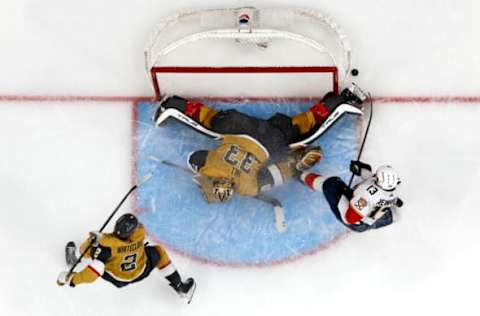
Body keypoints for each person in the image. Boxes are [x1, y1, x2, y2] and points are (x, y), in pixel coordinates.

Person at [153, 84, 366, 203]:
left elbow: (275, 175)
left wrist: (295, 165)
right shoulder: (209, 167)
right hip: (236, 125)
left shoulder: (247, 188)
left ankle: (340, 102)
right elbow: (195, 157)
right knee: (211, 123)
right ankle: (175, 105)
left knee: (304, 133)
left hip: (270, 138)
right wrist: (203, 174)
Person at [57, 213, 196, 302]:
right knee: (158, 252)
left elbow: (92, 274)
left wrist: (71, 279)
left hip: (118, 278)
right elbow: (129, 234)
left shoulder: (106, 246)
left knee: (91, 249)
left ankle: (75, 259)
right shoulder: (140, 233)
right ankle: (180, 287)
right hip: (141, 270)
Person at [301, 161, 404, 232]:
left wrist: (345, 198)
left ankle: (301, 175)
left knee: (331, 184)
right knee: (390, 214)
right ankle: (391, 216)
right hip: (376, 218)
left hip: (357, 220)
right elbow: (375, 184)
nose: (375, 176)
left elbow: (350, 218)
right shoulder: (395, 186)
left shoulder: (366, 197)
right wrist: (362, 170)